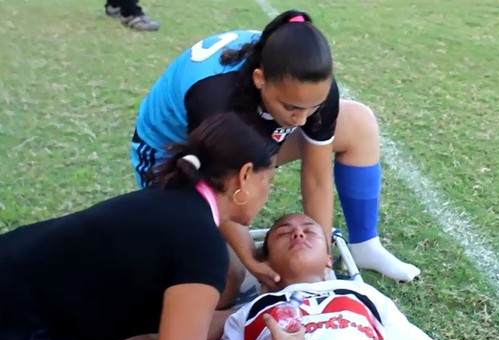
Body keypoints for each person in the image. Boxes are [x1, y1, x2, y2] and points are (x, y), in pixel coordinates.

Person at [0, 113, 313, 340]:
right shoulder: (201, 243)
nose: (266, 192)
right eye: (267, 180)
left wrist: (262, 308)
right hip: (16, 328)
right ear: (245, 176)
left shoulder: (172, 197)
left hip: (17, 285)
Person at [130, 9, 420, 289]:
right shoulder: (216, 99)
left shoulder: (311, 88)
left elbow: (317, 177)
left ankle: (365, 245)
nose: (302, 120)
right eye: (291, 107)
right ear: (259, 79)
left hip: (249, 137)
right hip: (177, 157)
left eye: (313, 107)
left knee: (357, 122)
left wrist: (320, 259)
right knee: (223, 280)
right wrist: (249, 258)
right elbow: (218, 190)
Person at [210, 213, 499, 340]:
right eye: (283, 233)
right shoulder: (250, 311)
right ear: (264, 263)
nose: (297, 232)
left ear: (328, 259)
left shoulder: (362, 295)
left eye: (310, 231)